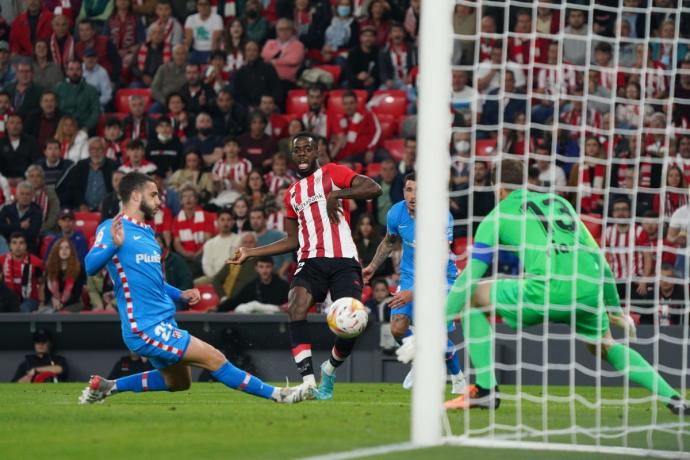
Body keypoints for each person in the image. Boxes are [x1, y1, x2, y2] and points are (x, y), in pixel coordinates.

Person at [398, 158, 688, 415]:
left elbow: (469, 278)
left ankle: (486, 390)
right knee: (606, 345)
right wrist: (614, 309)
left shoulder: (497, 216)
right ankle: (673, 398)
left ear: (497, 188)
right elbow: (600, 258)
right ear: (526, 182)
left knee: (473, 297)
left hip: (546, 290)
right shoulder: (561, 203)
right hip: (587, 287)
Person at [79, 172, 309, 404]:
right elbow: (89, 265)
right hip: (144, 326)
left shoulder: (148, 233)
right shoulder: (112, 227)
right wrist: (112, 247)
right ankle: (278, 395)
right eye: (154, 195)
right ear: (136, 196)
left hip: (163, 321)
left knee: (179, 382)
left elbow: (154, 281)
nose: (159, 201)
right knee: (215, 358)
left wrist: (180, 294)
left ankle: (109, 387)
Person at [229, 132, 381, 399]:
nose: (302, 153)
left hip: (344, 259)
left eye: (307, 148)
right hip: (310, 260)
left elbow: (373, 188)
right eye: (297, 149)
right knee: (296, 305)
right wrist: (250, 252)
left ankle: (330, 369)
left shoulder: (333, 173)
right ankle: (309, 383)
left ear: (317, 152)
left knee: (354, 321)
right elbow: (292, 240)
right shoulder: (292, 194)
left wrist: (339, 194)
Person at [362, 173, 465, 393]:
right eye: (409, 190)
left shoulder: (441, 216)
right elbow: (389, 242)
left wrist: (415, 292)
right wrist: (372, 266)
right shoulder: (396, 213)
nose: (413, 196)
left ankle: (457, 378)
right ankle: (420, 362)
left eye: (418, 191)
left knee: (437, 337)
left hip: (441, 278)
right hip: (410, 275)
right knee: (398, 328)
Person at [59, 137, 119, 211]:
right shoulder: (81, 165)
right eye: (93, 148)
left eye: (99, 148)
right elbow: (75, 188)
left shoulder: (112, 166)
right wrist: (81, 204)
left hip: (106, 209)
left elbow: (116, 188)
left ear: (104, 150)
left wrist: (107, 203)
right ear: (89, 150)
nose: (96, 151)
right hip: (82, 208)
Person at [216, 256, 289, 312]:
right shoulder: (251, 286)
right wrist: (217, 308)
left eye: (268, 266)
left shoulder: (283, 285)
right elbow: (235, 301)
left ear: (272, 268)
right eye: (261, 267)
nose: (264, 270)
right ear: (256, 268)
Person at [0, 232, 44, 312]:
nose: (18, 246)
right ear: (9, 246)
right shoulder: (1, 261)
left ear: (25, 246)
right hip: (8, 299)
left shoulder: (36, 262)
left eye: (21, 243)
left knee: (22, 310)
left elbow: (41, 283)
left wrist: (42, 303)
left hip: (30, 299)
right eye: (14, 243)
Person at [41, 237, 85, 313]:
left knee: (60, 313)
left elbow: (77, 294)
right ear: (56, 251)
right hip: (53, 302)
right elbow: (47, 292)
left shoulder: (78, 269)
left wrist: (62, 303)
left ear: (71, 251)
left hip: (73, 303)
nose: (64, 250)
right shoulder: (50, 268)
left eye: (67, 248)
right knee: (45, 312)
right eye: (61, 248)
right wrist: (54, 300)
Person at [55, 60, 101, 132]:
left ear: (82, 72)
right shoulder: (59, 88)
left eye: (78, 69)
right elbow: (55, 109)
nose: (74, 72)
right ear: (67, 72)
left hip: (85, 129)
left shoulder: (91, 90)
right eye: (71, 69)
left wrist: (86, 127)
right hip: (62, 128)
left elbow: (96, 111)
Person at [198, 208, 241, 285]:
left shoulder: (239, 240)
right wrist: (216, 279)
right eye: (222, 220)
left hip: (233, 278)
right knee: (194, 285)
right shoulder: (209, 243)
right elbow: (206, 264)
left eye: (228, 220)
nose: (225, 223)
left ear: (232, 222)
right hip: (213, 278)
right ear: (217, 222)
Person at [0, 183, 43, 254]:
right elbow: (1, 229)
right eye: (22, 194)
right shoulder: (6, 209)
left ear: (32, 196)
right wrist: (19, 225)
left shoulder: (37, 211)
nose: (24, 197)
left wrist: (10, 226)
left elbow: (32, 235)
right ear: (16, 195)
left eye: (27, 194)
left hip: (28, 249)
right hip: (6, 247)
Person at [0, 114, 42, 181]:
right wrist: (5, 179)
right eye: (12, 123)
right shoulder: (1, 143)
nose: (15, 126)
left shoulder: (31, 142)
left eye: (18, 123)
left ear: (22, 126)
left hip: (27, 181)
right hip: (3, 182)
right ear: (6, 126)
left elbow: (36, 163)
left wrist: (24, 178)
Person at [183, 0, 223, 65]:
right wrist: (185, 53)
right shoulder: (190, 18)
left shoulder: (217, 18)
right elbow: (188, 40)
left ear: (210, 6)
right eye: (200, 4)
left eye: (205, 4)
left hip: (210, 50)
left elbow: (215, 41)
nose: (203, 7)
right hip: (195, 50)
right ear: (197, 6)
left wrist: (211, 57)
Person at [25, 165, 60, 234]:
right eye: (31, 176)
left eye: (38, 176)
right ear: (27, 179)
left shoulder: (50, 193)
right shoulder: (23, 192)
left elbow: (54, 214)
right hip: (26, 228)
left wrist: (42, 228)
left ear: (43, 179)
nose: (35, 179)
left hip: (46, 229)